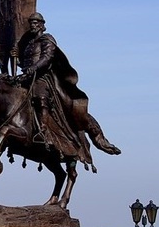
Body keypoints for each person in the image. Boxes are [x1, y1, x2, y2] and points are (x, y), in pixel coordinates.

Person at [11, 12, 120, 160]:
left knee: (40, 95)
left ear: (42, 25)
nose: (33, 26)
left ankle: (43, 130)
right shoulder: (29, 43)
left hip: (42, 77)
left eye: (36, 23)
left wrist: (34, 69)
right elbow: (26, 62)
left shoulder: (47, 39)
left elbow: (46, 58)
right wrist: (16, 58)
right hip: (27, 77)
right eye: (31, 23)